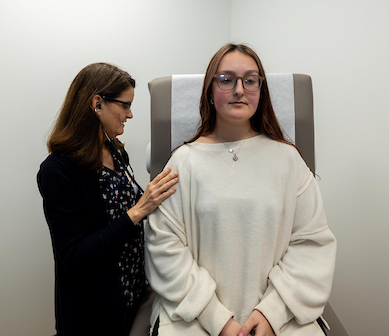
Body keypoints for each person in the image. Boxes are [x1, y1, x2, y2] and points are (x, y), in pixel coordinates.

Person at [144, 44, 336, 336]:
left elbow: (312, 244)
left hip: (279, 320)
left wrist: (272, 314)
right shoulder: (183, 162)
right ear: (210, 89)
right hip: (196, 318)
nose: (239, 89)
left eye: (250, 80)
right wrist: (217, 319)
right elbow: (164, 246)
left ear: (261, 90)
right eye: (226, 79)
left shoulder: (288, 160)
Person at [37, 63, 179, 336]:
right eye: (125, 106)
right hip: (93, 314)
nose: (130, 114)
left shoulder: (116, 153)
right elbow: (74, 255)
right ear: (97, 103)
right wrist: (138, 211)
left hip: (134, 298)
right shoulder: (57, 171)